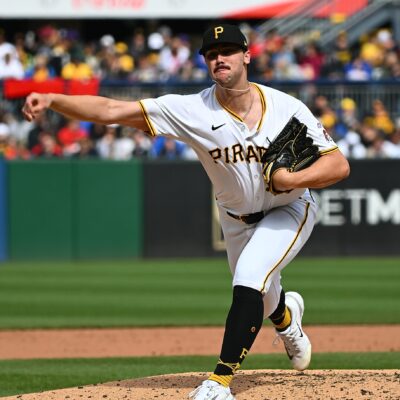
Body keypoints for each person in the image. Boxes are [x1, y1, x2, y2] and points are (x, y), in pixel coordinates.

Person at [22, 24, 350, 400]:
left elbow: (338, 166)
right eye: (211, 54)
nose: (219, 58)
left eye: (227, 50)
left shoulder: (286, 108)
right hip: (236, 220)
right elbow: (113, 109)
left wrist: (294, 179)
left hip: (290, 209)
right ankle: (287, 319)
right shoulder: (192, 109)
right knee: (264, 292)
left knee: (248, 279)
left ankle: (221, 381)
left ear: (247, 55)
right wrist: (51, 98)